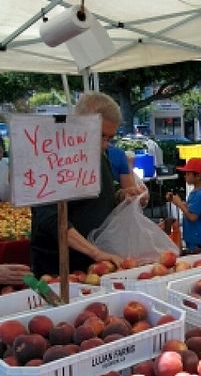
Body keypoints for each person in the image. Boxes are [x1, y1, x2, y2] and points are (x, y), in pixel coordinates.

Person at [30, 92, 143, 278]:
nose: (106, 145)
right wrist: (96, 253)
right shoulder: (52, 157)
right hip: (59, 270)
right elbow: (51, 219)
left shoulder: (98, 155)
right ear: (79, 124)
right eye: (101, 136)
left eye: (109, 138)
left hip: (94, 266)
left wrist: (122, 195)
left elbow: (98, 196)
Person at [166, 157, 201, 252]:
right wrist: (174, 200)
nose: (185, 176)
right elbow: (190, 208)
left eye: (188, 174)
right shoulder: (195, 193)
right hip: (193, 238)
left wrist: (179, 204)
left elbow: (192, 216)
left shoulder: (200, 195)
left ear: (198, 176)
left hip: (198, 240)